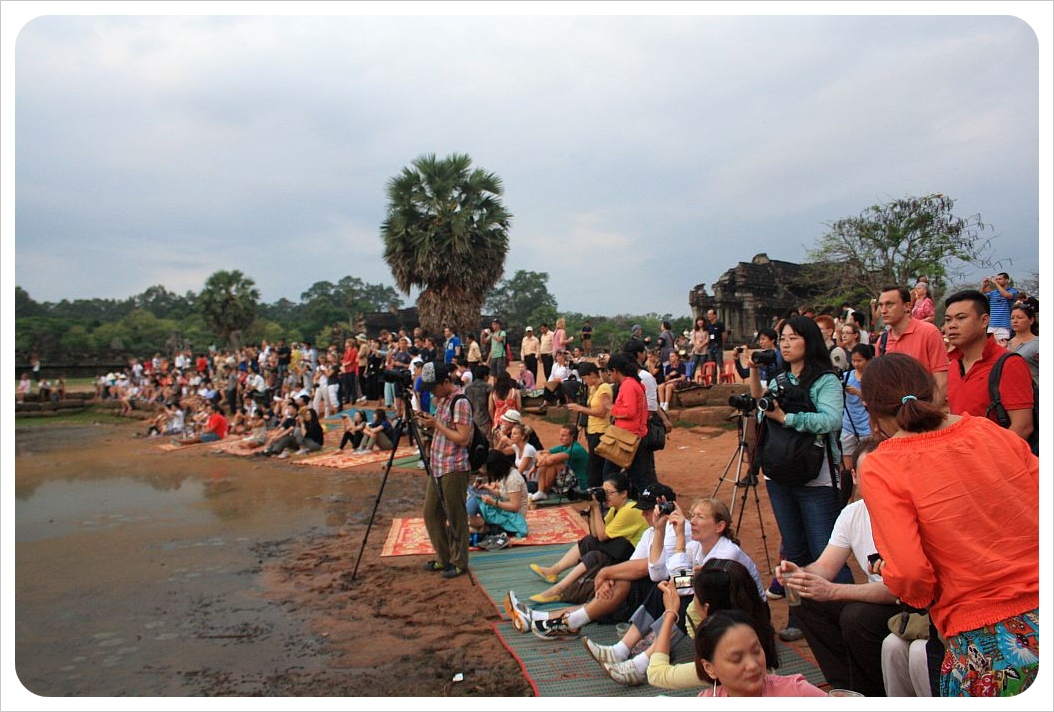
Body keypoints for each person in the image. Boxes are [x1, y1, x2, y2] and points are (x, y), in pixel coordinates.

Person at [859, 353, 1039, 697]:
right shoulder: (990, 431)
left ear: (871, 410)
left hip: (988, 641)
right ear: (933, 389)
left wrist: (900, 582)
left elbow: (912, 574)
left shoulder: (883, 465)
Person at [747, 315, 849, 642]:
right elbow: (760, 407)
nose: (786, 344)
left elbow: (832, 420)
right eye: (783, 339)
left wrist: (787, 417)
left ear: (809, 341)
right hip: (780, 475)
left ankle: (845, 616)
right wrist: (753, 371)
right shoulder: (779, 379)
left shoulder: (826, 381)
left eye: (793, 338)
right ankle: (799, 616)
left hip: (816, 478)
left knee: (825, 553)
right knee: (793, 552)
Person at [598, 497, 766, 687]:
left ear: (719, 526)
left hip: (750, 618)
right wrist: (660, 530)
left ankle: (641, 663)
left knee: (686, 600)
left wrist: (679, 540)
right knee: (664, 586)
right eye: (692, 515)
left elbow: (684, 585)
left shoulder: (728, 552)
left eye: (700, 517)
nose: (692, 521)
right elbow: (658, 573)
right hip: (721, 607)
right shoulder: (696, 547)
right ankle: (621, 649)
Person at [775, 445, 901, 697]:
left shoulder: (904, 511)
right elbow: (824, 566)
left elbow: (899, 589)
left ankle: (871, 692)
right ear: (854, 477)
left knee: (856, 616)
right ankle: (845, 685)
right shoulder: (852, 513)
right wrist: (800, 574)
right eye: (868, 475)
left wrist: (833, 591)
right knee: (800, 595)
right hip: (875, 597)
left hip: (904, 600)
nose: (876, 482)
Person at [505, 484, 683, 640]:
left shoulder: (677, 528)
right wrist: (595, 507)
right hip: (664, 583)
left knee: (610, 573)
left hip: (678, 589)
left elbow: (656, 571)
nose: (643, 513)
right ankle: (542, 616)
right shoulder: (651, 529)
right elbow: (641, 564)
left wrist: (607, 573)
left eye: (609, 492)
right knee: (608, 579)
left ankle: (563, 615)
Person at [522, 471, 648, 601]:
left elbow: (602, 536)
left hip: (635, 559)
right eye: (603, 492)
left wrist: (596, 507)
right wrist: (593, 509)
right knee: (589, 541)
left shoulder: (630, 509)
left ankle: (558, 590)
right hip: (622, 550)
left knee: (596, 556)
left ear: (624, 493)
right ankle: (553, 571)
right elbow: (594, 534)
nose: (605, 496)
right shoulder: (615, 509)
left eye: (609, 493)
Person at [943, 289, 1034, 447]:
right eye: (948, 320)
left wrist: (987, 459)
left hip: (996, 462)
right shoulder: (953, 365)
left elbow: (1023, 427)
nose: (952, 326)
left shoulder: (1009, 364)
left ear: (984, 320)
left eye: (961, 318)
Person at [417, 362, 474, 579]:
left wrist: (436, 425)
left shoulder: (460, 402)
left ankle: (459, 561)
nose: (432, 391)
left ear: (446, 382)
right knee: (430, 512)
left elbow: (463, 438)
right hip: (438, 464)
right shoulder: (442, 400)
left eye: (434, 387)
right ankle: (444, 557)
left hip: (455, 466)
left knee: (456, 515)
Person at [695, 611, 828, 697]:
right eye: (737, 659)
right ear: (709, 667)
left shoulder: (797, 693)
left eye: (756, 651)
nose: (752, 665)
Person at [874, 285, 949, 407]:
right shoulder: (882, 341)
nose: (883, 310)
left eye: (889, 304)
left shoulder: (929, 333)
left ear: (907, 306)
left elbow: (941, 382)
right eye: (881, 305)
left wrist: (927, 413)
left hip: (925, 412)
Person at [601, 353, 650, 495]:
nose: (610, 376)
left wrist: (612, 408)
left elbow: (630, 411)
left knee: (610, 473)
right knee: (637, 476)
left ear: (615, 371)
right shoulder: (634, 383)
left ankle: (609, 503)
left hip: (627, 437)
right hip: (632, 435)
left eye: (610, 373)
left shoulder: (628, 385)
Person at [565, 361, 612, 489]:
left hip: (601, 431)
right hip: (592, 430)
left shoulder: (604, 388)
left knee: (595, 466)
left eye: (585, 378)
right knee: (594, 465)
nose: (584, 381)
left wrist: (580, 408)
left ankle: (596, 493)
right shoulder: (593, 389)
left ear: (592, 374)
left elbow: (602, 412)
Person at [467, 449, 528, 549]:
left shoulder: (513, 479)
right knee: (475, 498)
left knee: (476, 501)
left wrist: (494, 503)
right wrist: (486, 489)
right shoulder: (507, 474)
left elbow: (515, 506)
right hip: (506, 510)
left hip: (514, 516)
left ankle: (468, 524)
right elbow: (503, 494)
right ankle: (472, 525)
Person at [839, 343, 874, 504]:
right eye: (853, 360)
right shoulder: (847, 376)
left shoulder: (873, 378)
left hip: (866, 427)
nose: (856, 364)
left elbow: (875, 400)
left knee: (866, 467)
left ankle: (865, 499)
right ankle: (849, 500)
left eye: (860, 360)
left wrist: (859, 393)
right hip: (848, 426)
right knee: (848, 471)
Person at [529, 424, 588, 502]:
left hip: (578, 485)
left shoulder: (576, 449)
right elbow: (539, 452)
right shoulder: (563, 447)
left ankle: (543, 492)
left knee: (553, 464)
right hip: (567, 480)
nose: (560, 438)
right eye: (560, 435)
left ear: (573, 437)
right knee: (546, 461)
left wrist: (538, 464)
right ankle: (541, 492)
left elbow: (550, 460)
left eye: (564, 436)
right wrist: (538, 463)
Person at [1006, 302, 1039, 387]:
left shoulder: (1037, 344)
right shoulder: (1006, 344)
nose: (1015, 321)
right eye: (1012, 318)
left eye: (1019, 318)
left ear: (1031, 320)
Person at [981, 272, 1019, 343]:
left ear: (1006, 280)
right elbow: (979, 297)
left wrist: (996, 283)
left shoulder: (1012, 291)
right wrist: (984, 286)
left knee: (1002, 347)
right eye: (997, 279)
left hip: (1004, 325)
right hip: (992, 325)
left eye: (1000, 279)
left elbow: (1007, 295)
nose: (998, 280)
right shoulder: (993, 293)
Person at [703, 308, 728, 374]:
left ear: (715, 315)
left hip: (718, 346)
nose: (709, 316)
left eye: (710, 314)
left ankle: (722, 377)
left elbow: (724, 335)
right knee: (712, 363)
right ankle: (714, 379)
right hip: (711, 346)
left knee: (720, 362)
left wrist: (722, 344)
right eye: (708, 314)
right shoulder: (708, 325)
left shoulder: (720, 324)